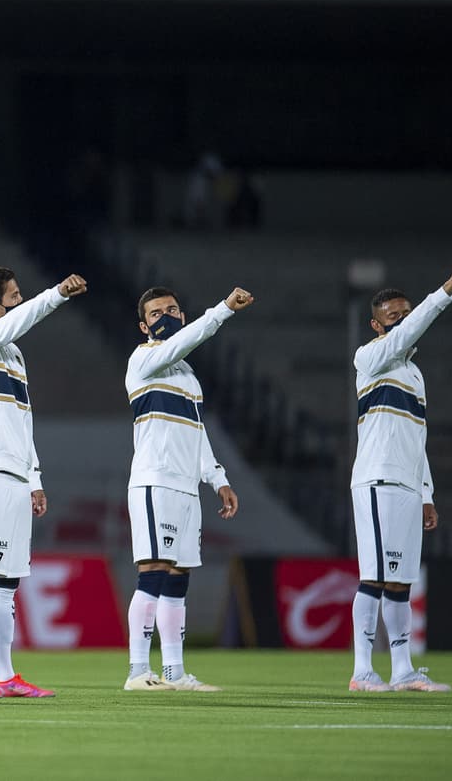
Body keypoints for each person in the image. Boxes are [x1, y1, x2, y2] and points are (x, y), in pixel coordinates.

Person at [0, 266, 87, 699]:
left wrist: (34, 478)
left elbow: (23, 422)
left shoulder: (13, 353)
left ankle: (6, 677)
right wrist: (56, 294)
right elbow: (19, 322)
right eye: (13, 295)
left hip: (14, 478)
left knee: (7, 584)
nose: (20, 300)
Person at [348, 264, 452, 693]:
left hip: (406, 483)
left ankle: (402, 671)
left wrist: (426, 493)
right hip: (377, 478)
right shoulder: (369, 357)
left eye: (406, 313)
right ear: (376, 324)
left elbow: (417, 439)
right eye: (393, 316)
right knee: (374, 576)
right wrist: (445, 291)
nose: (402, 321)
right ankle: (362, 670)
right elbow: (404, 337)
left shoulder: (414, 375)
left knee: (400, 581)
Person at [123, 285, 252, 692]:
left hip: (186, 487)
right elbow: (184, 341)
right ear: (144, 326)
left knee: (178, 577)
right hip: (155, 480)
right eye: (157, 313)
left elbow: (196, 432)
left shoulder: (188, 377)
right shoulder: (144, 359)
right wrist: (223, 309)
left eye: (173, 309)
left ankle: (174, 673)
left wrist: (218, 478)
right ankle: (137, 671)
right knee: (153, 572)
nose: (167, 316)